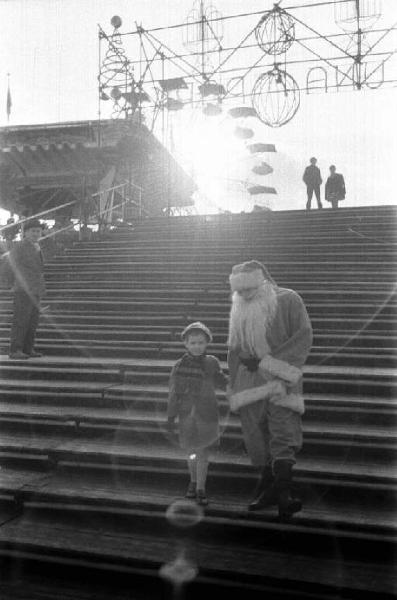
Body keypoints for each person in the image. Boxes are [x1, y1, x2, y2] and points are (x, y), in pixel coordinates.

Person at [227, 260, 313, 519]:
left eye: (248, 289)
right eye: (239, 291)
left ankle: (284, 494)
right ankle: (270, 490)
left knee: (283, 432)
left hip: (281, 379)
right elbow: (234, 345)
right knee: (257, 437)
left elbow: (303, 336)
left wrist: (269, 363)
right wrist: (234, 378)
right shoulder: (239, 304)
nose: (243, 295)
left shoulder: (289, 299)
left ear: (262, 281)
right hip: (249, 382)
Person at [167, 322, 228, 506]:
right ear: (186, 344)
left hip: (206, 414)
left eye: (201, 342)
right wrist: (171, 416)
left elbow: (221, 381)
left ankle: (201, 487)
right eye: (193, 343)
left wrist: (234, 388)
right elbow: (173, 392)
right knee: (191, 452)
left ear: (206, 343)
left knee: (203, 452)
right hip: (187, 416)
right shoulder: (179, 365)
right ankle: (192, 482)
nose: (197, 346)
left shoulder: (211, 362)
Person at [8, 219, 46, 359]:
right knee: (21, 320)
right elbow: (10, 264)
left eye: (38, 231)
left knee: (32, 321)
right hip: (23, 289)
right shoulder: (20, 246)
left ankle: (27, 348)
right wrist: (14, 282)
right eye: (33, 231)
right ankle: (15, 349)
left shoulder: (37, 246)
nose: (36, 234)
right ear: (25, 233)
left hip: (35, 289)